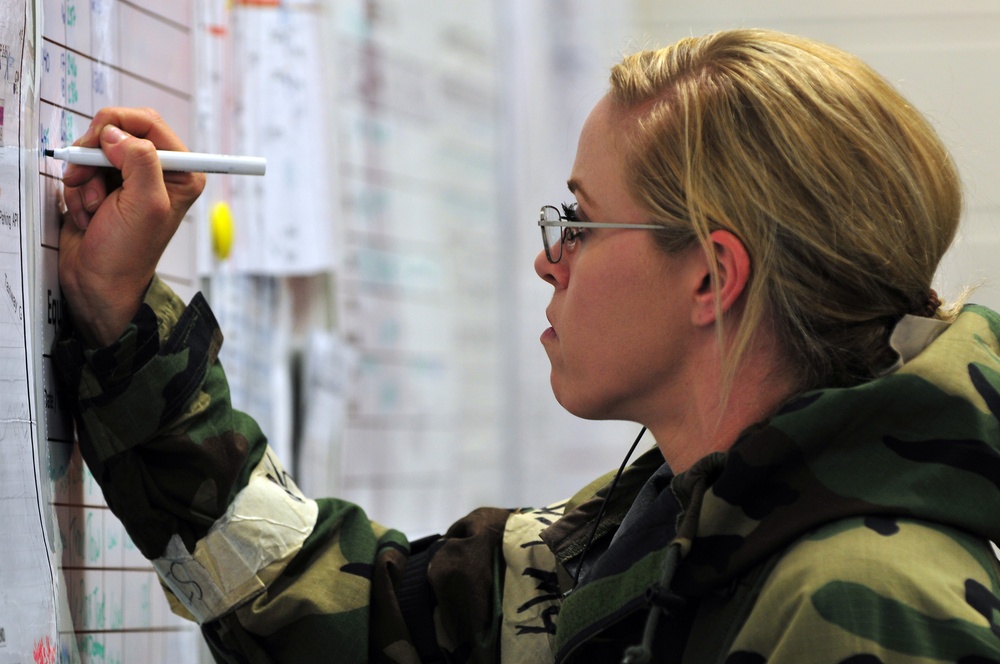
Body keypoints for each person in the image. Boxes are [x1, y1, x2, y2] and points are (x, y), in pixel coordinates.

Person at [54, 27, 1000, 663]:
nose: (550, 261)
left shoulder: (869, 603)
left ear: (712, 277)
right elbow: (349, 615)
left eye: (582, 224)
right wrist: (119, 316)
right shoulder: (674, 523)